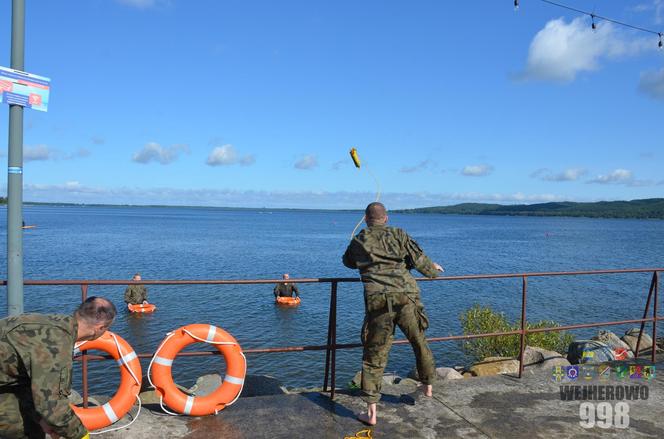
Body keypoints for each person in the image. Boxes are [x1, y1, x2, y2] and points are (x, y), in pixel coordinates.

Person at [342, 202, 444, 426]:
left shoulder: (360, 239)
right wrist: (431, 270)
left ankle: (371, 413)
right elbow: (419, 261)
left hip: (378, 301)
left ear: (366, 219)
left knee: (374, 354)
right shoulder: (399, 234)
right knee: (419, 341)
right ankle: (427, 387)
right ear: (385, 218)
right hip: (407, 296)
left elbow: (348, 262)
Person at [0, 296, 117, 439]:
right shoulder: (56, 344)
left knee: (27, 426)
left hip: (8, 384)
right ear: (100, 328)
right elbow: (53, 408)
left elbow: (26, 382)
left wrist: (40, 418)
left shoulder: (56, 323)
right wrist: (82, 436)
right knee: (24, 432)